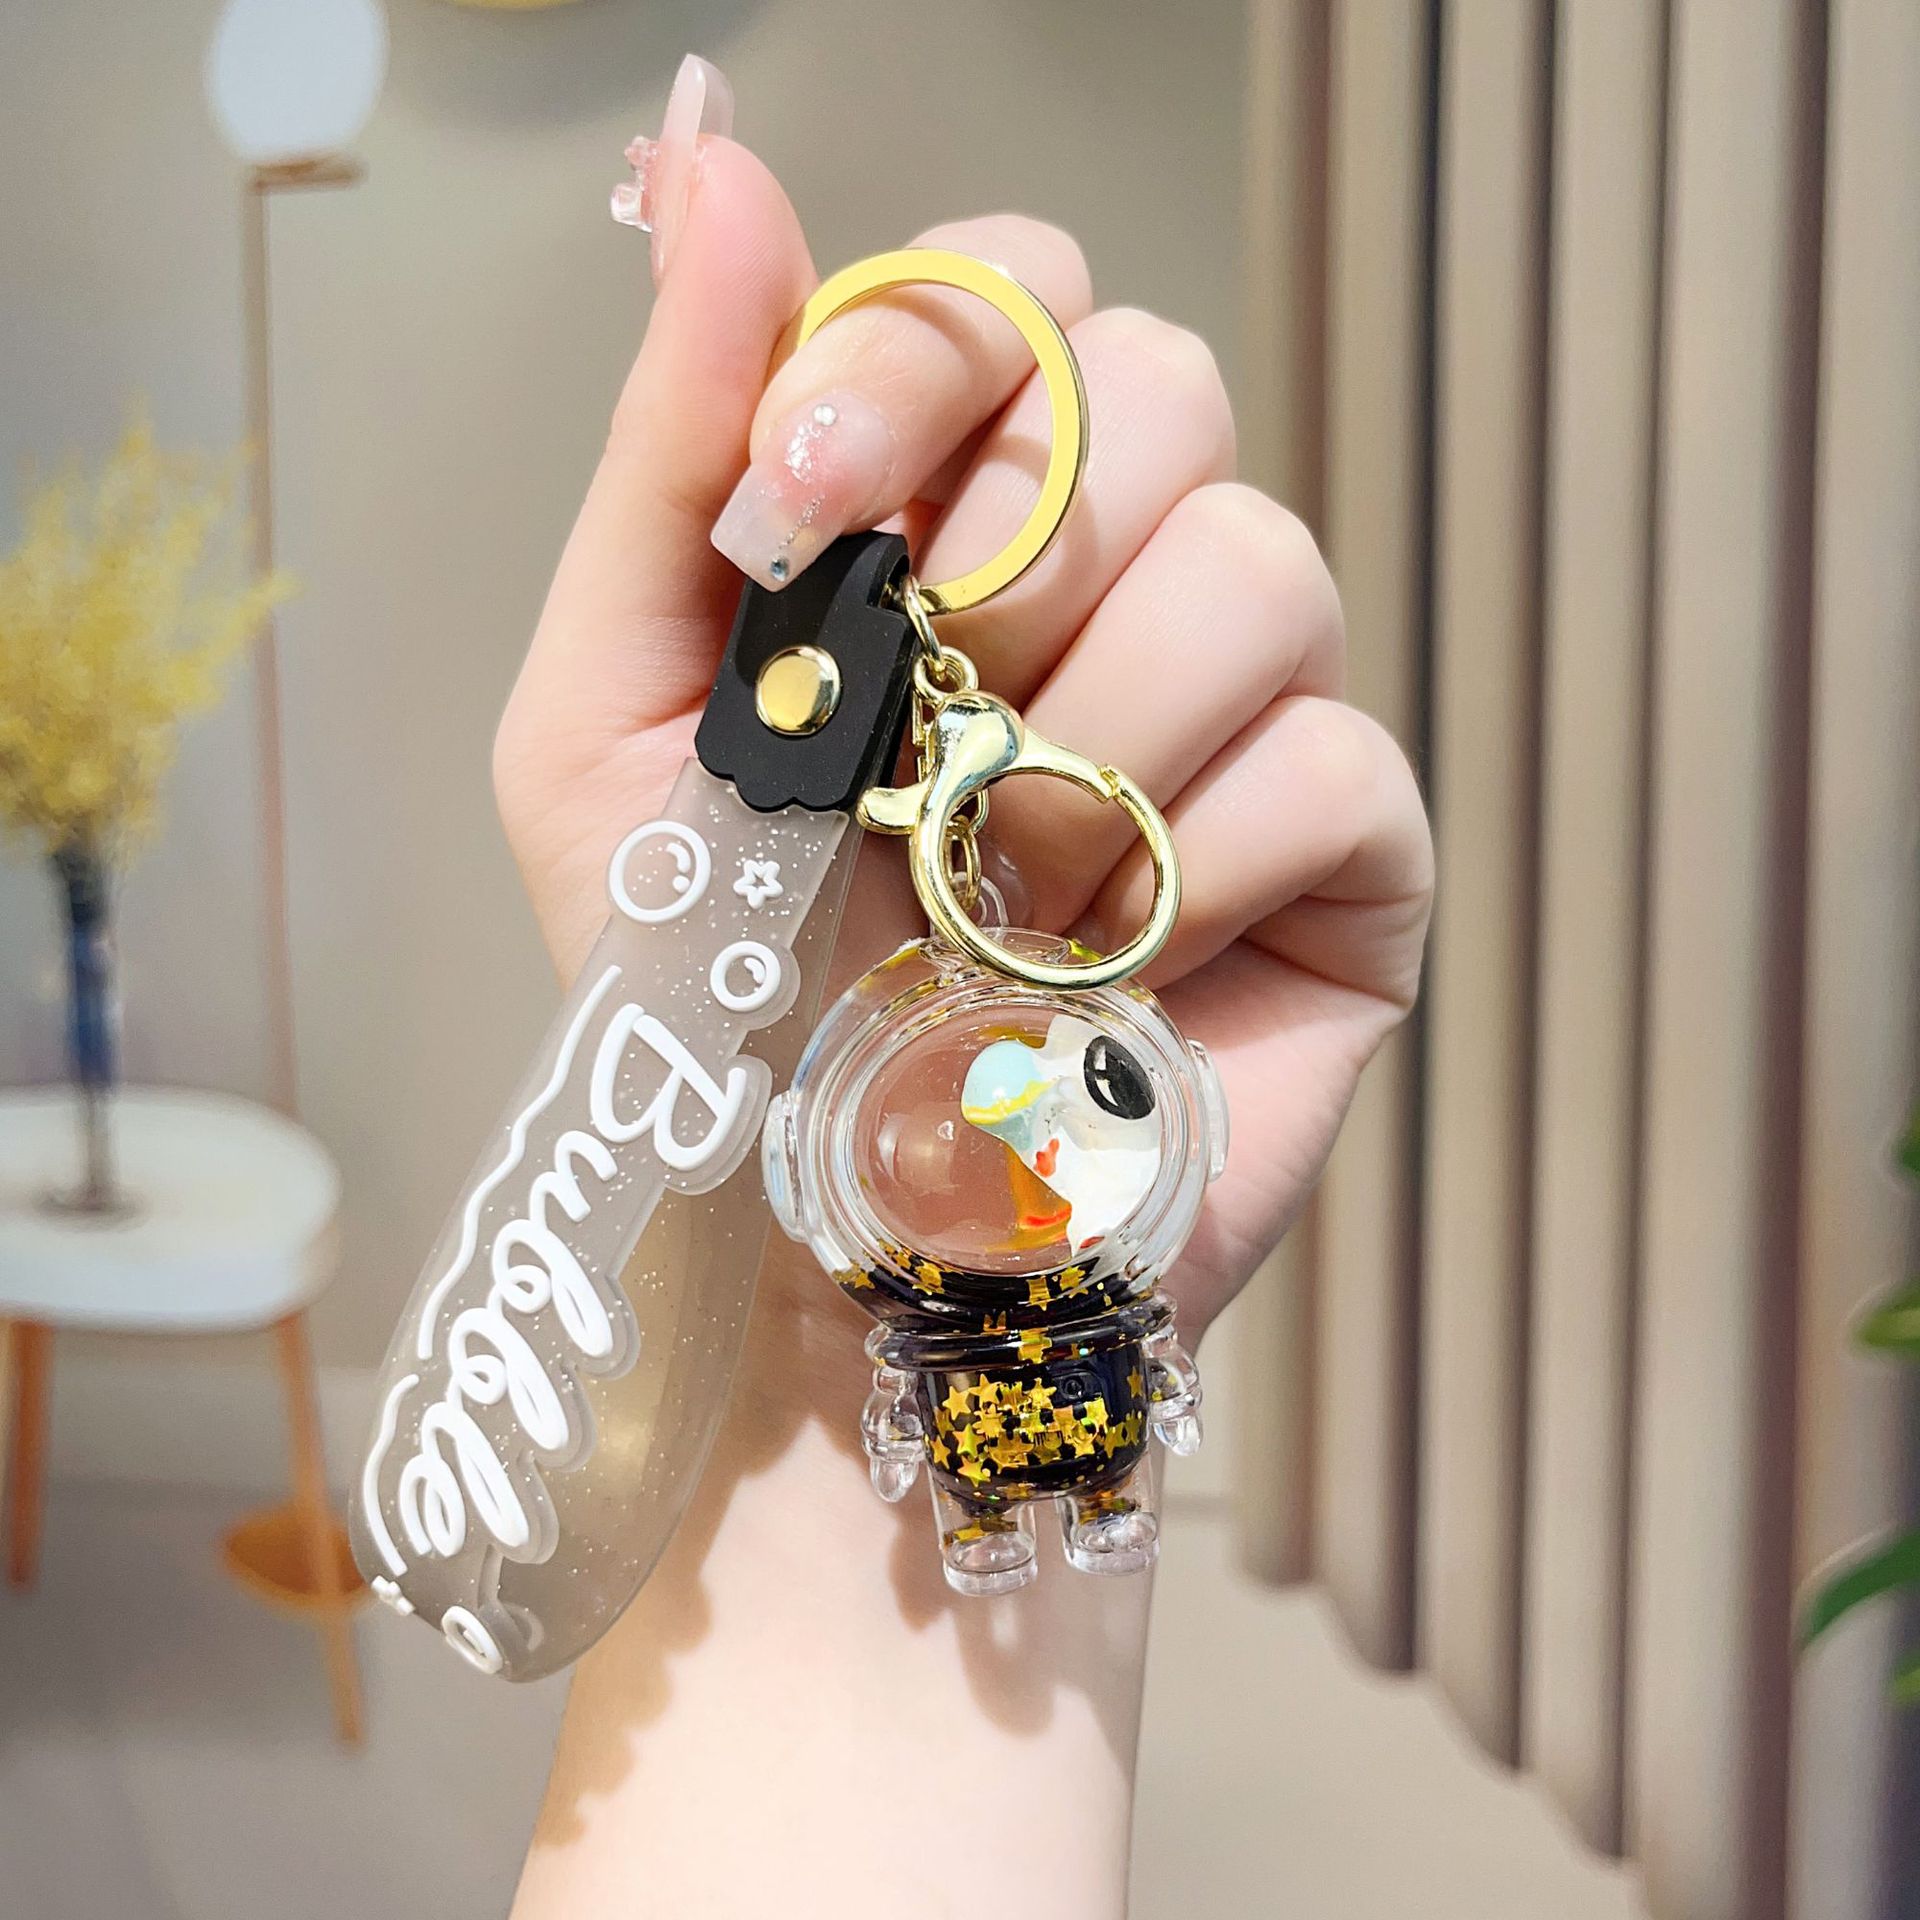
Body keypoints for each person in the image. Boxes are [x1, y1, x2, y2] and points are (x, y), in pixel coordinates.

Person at [501, 53, 1433, 1920]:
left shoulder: (1045, 1156)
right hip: (927, 1279)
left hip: (1007, 1301)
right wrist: (785, 1369)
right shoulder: (845, 1134)